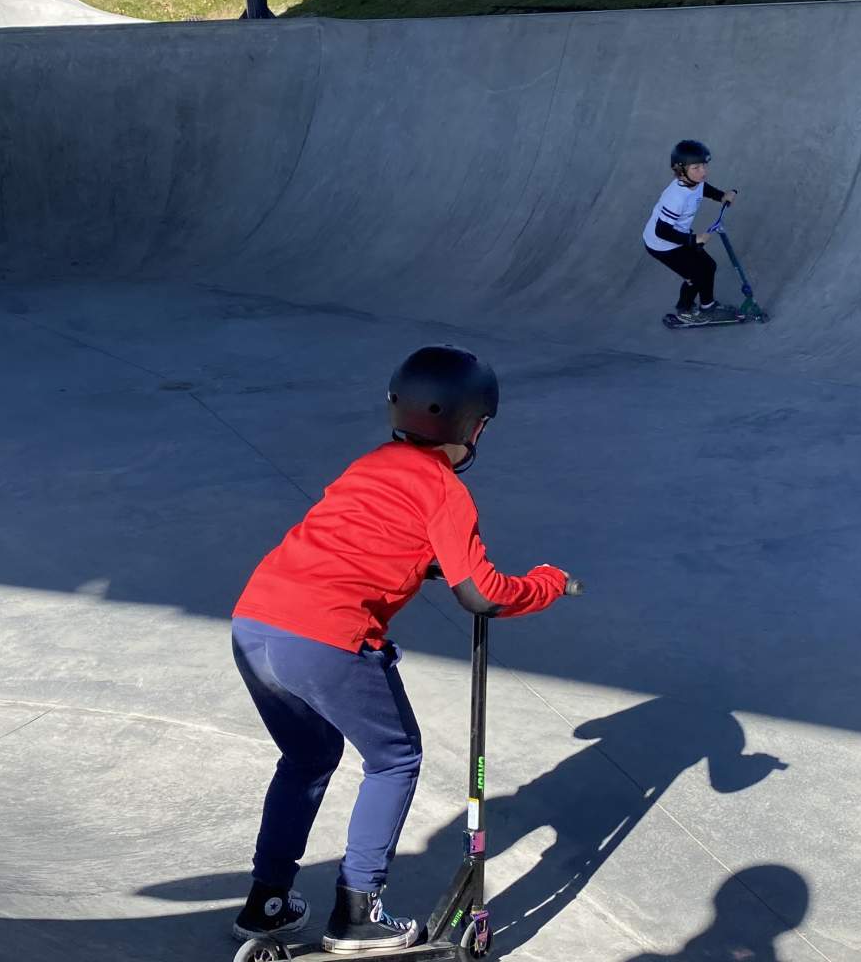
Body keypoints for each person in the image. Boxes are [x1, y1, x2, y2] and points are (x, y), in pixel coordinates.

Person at [229, 344, 574, 953]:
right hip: (322, 637)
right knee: (394, 758)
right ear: (475, 425)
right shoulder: (444, 489)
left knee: (308, 757)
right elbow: (483, 595)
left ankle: (269, 902)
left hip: (256, 624)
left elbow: (365, 535)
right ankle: (358, 912)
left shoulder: (368, 465)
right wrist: (547, 583)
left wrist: (427, 564)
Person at [643, 139, 739, 324]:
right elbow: (662, 231)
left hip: (679, 237)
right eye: (696, 167)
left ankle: (707, 306)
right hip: (662, 244)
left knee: (708, 267)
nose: (703, 171)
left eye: (704, 165)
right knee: (695, 275)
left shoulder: (694, 182)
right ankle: (684, 310)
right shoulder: (675, 197)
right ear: (680, 170)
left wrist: (721, 196)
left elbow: (703, 189)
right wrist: (692, 239)